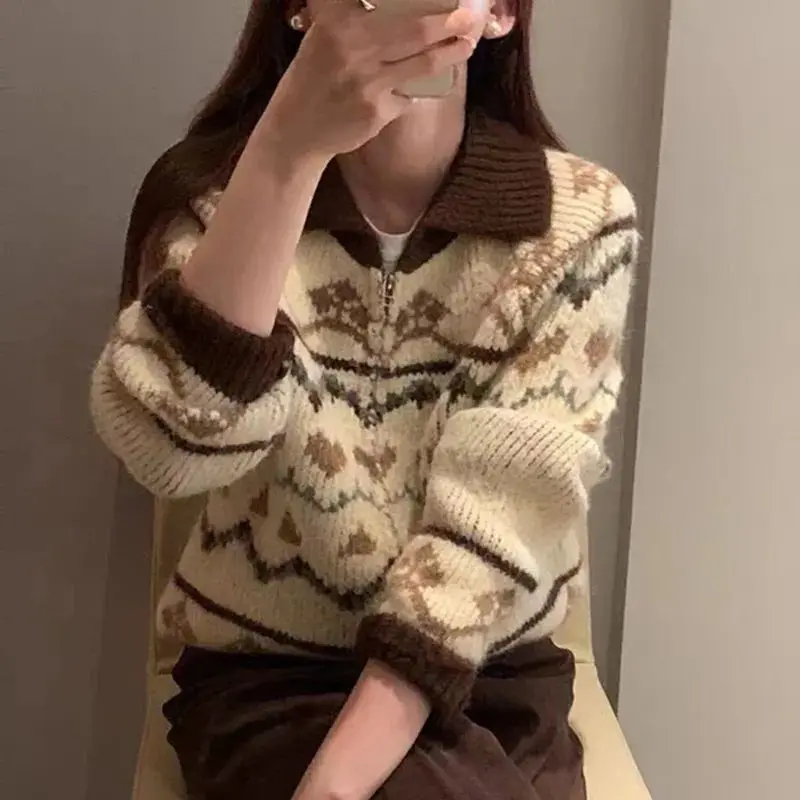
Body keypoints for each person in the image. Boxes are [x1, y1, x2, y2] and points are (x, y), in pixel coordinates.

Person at [91, 0, 638, 797]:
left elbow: (497, 519)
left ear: (500, 12)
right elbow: (169, 451)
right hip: (272, 677)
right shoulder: (214, 201)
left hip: (492, 672)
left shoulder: (580, 222)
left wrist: (336, 784)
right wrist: (285, 153)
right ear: (300, 8)